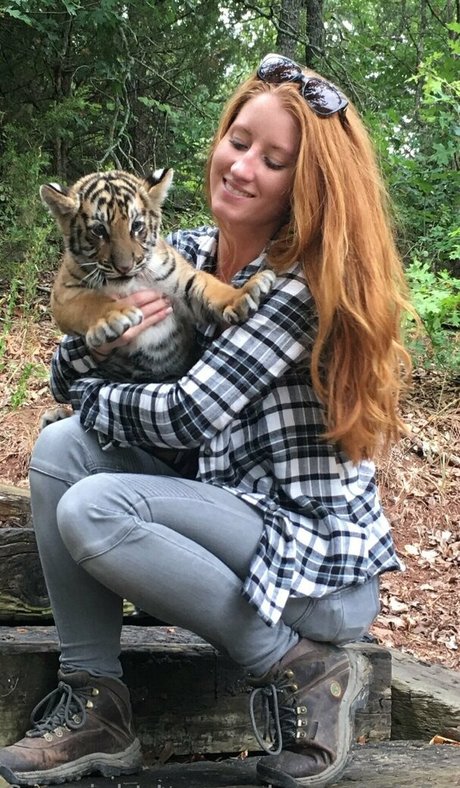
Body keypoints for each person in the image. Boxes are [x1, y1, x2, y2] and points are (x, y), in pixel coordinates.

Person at [0, 53, 412, 788]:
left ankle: (303, 668)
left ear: (307, 186)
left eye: (274, 161)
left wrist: (90, 387)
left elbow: (188, 415)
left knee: (94, 507)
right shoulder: (183, 252)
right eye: (238, 141)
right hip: (224, 517)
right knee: (61, 450)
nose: (243, 166)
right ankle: (96, 703)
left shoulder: (298, 285)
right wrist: (98, 342)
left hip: (310, 563)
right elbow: (63, 367)